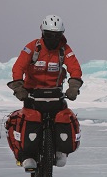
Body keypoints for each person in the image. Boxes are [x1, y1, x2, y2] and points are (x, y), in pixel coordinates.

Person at [7, 15, 83, 169]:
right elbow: (18, 67)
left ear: (62, 35)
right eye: (49, 35)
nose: (53, 39)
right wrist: (18, 87)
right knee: (29, 119)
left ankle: (60, 151)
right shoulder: (33, 47)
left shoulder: (64, 49)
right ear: (42, 33)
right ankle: (27, 156)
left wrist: (73, 86)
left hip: (55, 94)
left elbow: (74, 67)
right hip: (32, 94)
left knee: (62, 118)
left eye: (57, 35)